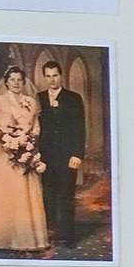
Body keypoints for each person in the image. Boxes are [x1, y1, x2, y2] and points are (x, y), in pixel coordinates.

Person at [0, 64, 48, 253]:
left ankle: (27, 237)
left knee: (25, 194)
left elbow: (36, 126)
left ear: (24, 82)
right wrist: (7, 140)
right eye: (12, 80)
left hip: (26, 152)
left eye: (19, 80)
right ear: (6, 83)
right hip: (4, 154)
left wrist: (28, 140)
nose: (16, 83)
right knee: (5, 194)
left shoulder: (30, 101)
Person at [34, 59, 85, 249]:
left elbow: (80, 128)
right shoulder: (38, 99)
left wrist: (77, 154)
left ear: (61, 75)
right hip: (46, 158)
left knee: (66, 196)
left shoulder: (73, 98)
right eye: (48, 76)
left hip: (67, 157)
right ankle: (50, 235)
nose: (52, 80)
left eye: (55, 75)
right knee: (48, 197)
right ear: (44, 77)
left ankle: (68, 237)